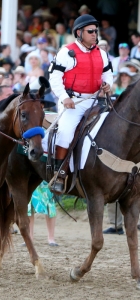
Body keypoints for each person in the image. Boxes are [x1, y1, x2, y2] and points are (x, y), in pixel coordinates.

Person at [47, 14, 113, 194]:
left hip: (95, 100)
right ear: (79, 32)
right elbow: (54, 77)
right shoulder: (66, 52)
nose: (94, 34)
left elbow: (107, 74)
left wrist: (108, 84)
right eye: (90, 31)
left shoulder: (101, 52)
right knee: (66, 132)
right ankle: (59, 174)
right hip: (73, 102)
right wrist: (63, 97)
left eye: (95, 31)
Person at [25, 181, 58, 246]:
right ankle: (29, 237)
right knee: (29, 207)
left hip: (45, 179)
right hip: (30, 177)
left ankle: (51, 238)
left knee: (50, 205)